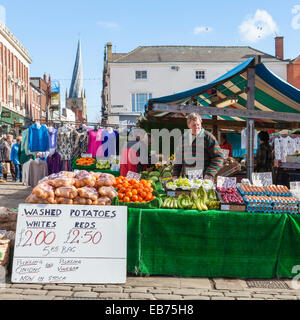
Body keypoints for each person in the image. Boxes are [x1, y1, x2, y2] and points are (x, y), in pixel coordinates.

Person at [173, 113, 224, 180]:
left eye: (198, 124)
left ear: (201, 123)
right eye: (194, 125)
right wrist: (175, 174)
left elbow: (218, 157)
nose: (196, 127)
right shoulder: (183, 138)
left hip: (203, 179)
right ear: (188, 125)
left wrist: (210, 173)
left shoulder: (208, 137)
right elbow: (178, 158)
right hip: (186, 180)